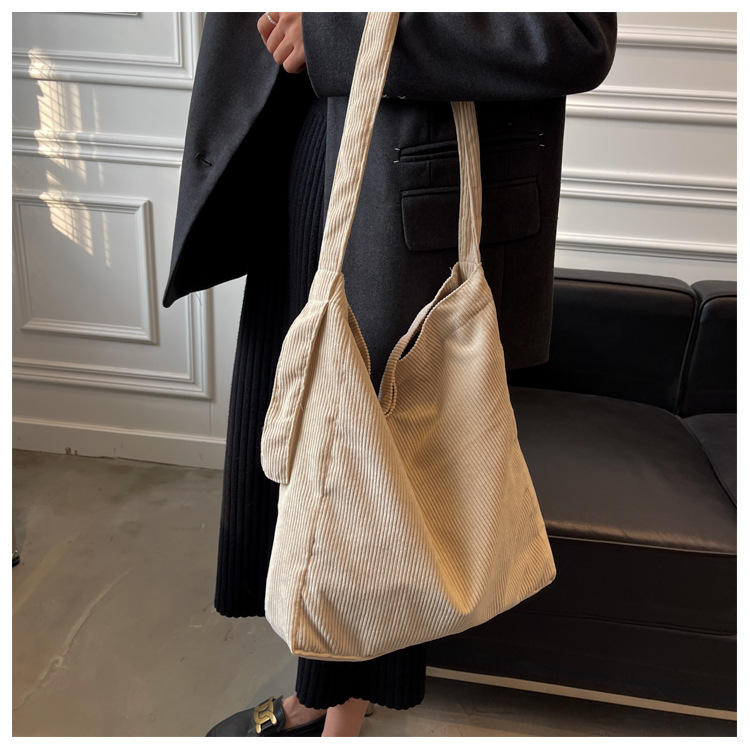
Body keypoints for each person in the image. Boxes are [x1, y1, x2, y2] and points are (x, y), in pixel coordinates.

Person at [161, 11, 618, 737]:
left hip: (401, 167)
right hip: (302, 141)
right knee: (309, 448)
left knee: (374, 473)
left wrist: (333, 30)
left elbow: (572, 34)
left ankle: (338, 713)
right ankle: (322, 688)